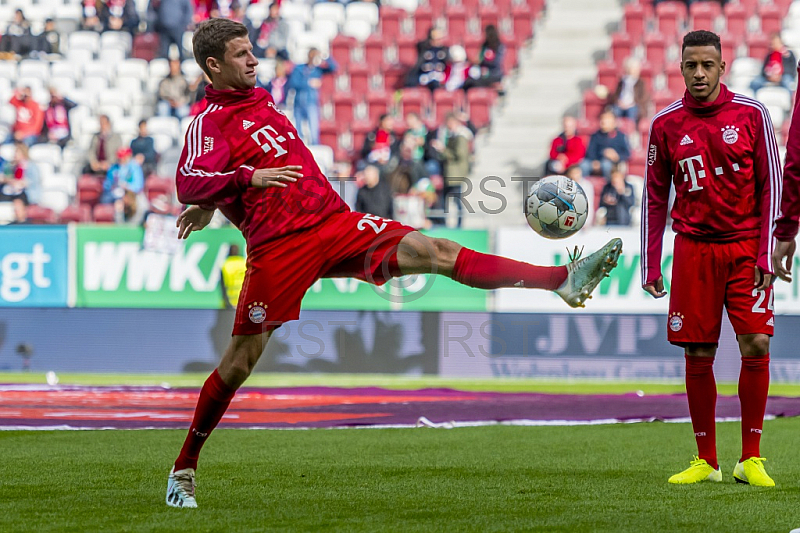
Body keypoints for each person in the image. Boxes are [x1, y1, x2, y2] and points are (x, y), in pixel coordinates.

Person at [164, 17, 623, 509]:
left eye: (252, 50)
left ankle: (562, 280)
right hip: (280, 248)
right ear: (213, 66)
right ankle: (183, 469)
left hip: (333, 222)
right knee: (238, 365)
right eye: (241, 54)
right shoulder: (207, 123)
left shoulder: (259, 96)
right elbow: (189, 180)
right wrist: (237, 184)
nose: (254, 59)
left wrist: (216, 196)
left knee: (437, 252)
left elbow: (214, 178)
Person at [642, 30, 781, 487]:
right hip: (693, 250)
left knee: (756, 343)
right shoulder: (665, 124)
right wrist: (650, 263)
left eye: (707, 65)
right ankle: (707, 460)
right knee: (698, 351)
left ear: (722, 67)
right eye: (690, 66)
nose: (698, 73)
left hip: (745, 249)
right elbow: (654, 197)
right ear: (680, 69)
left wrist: (766, 252)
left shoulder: (752, 114)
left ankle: (752, 458)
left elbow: (771, 186)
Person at [287, 48, 337, 145]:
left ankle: (315, 149)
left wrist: (325, 56)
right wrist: (308, 83)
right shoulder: (299, 68)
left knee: (313, 130)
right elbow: (293, 83)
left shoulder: (317, 70)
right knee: (298, 130)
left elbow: (334, 68)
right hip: (298, 103)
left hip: (311, 102)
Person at [581, 109, 630, 179]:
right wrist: (595, 161)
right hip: (596, 161)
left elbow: (627, 154)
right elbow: (590, 152)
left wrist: (617, 156)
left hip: (613, 164)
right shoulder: (595, 135)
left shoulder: (620, 136)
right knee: (583, 165)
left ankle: (608, 187)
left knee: (606, 165)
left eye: (607, 119)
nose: (604, 121)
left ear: (614, 122)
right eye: (602, 119)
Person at [102, 147, 145, 223]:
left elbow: (138, 185)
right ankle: (120, 227)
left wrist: (127, 187)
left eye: (123, 157)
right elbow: (107, 185)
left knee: (142, 205)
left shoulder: (134, 167)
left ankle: (134, 225)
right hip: (117, 196)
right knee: (118, 205)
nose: (121, 160)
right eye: (120, 158)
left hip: (133, 195)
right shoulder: (114, 168)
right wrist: (113, 187)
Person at [0, 143, 40, 223]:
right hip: (11, 191)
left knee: (18, 202)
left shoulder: (30, 166)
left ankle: (21, 223)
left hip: (25, 193)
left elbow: (33, 182)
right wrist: (10, 180)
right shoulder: (11, 166)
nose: (15, 155)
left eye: (17, 152)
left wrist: (20, 183)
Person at [607, 57, 650, 125]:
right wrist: (618, 102)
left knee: (631, 111)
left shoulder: (640, 83)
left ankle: (631, 131)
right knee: (614, 110)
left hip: (633, 106)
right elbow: (616, 95)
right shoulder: (621, 81)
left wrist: (631, 104)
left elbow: (643, 97)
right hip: (620, 105)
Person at [463, 24, 505, 91]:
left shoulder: (499, 46)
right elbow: (479, 59)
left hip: (494, 74)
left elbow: (495, 62)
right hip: (483, 73)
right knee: (468, 82)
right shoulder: (485, 46)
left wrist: (484, 62)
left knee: (472, 83)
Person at [221, 244, 246, 309]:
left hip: (229, 302)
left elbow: (222, 286)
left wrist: (227, 302)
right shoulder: (244, 263)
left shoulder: (225, 265)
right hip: (243, 301)